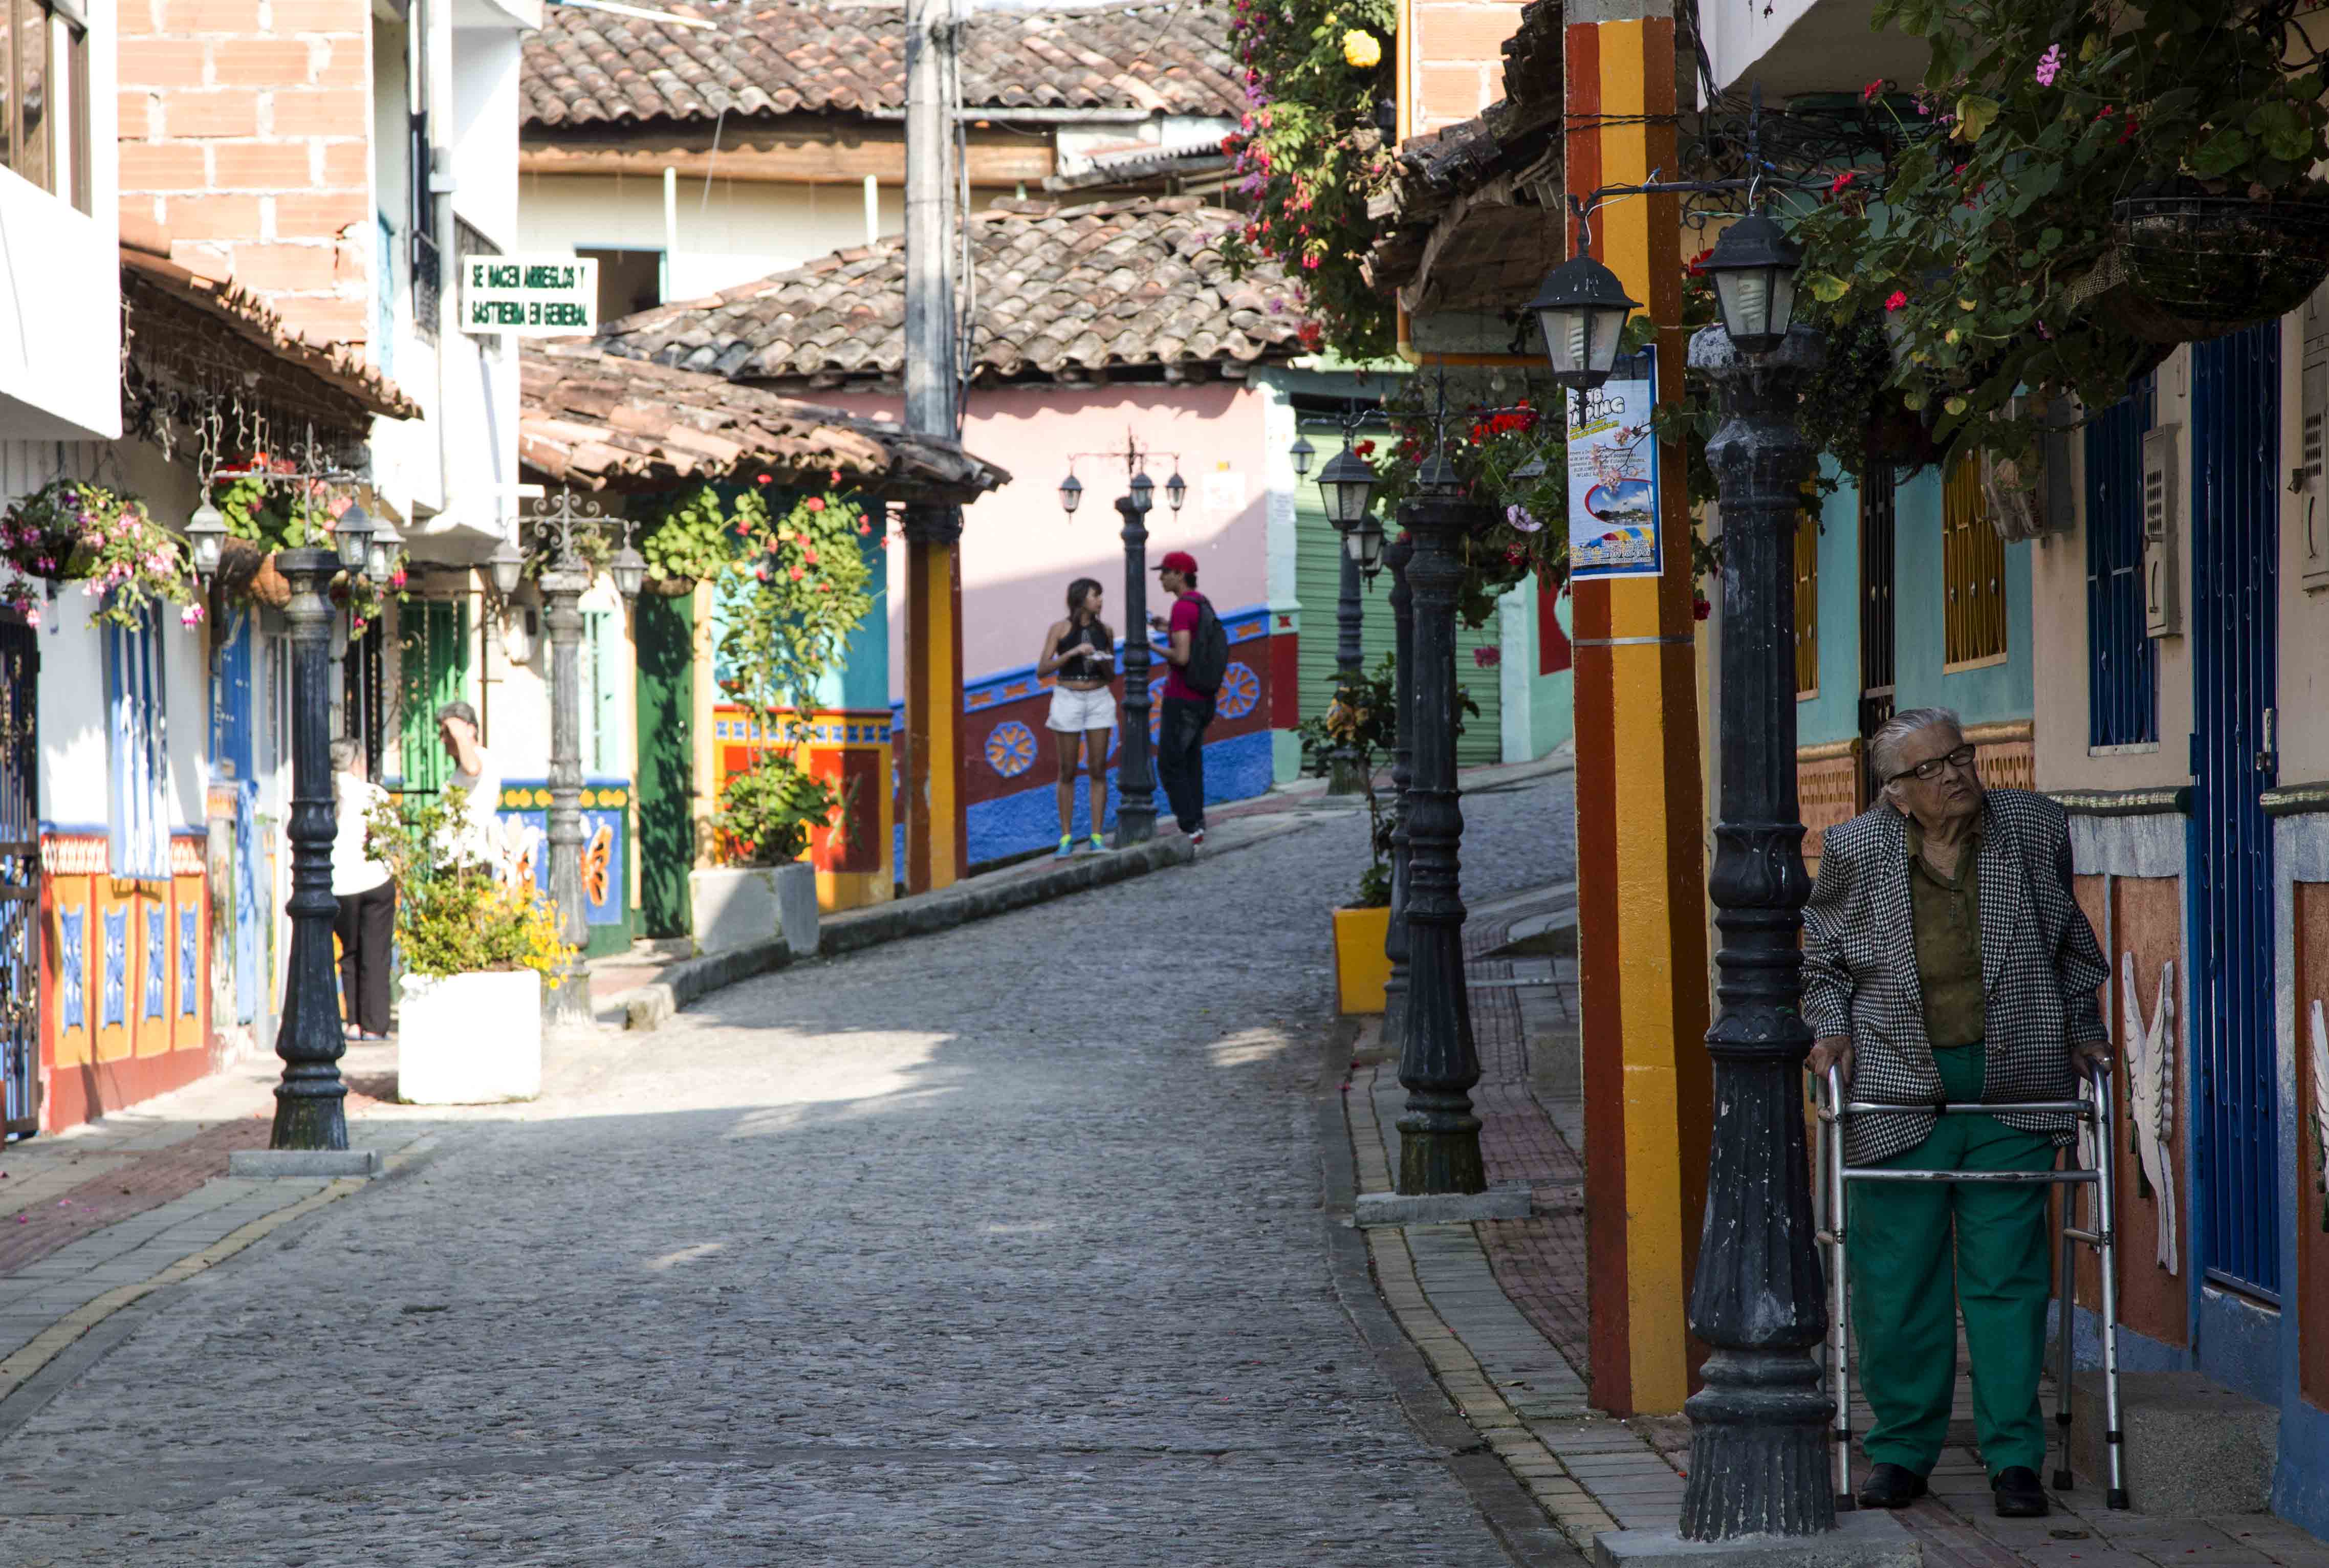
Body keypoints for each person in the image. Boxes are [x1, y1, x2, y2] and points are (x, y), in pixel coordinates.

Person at [1802, 706, 2109, 1521]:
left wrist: (2083, 1033)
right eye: (1930, 769)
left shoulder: (2032, 828)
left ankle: (2015, 1459)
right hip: (1896, 1081)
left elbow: (2072, 950)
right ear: (1894, 793)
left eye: (1959, 758)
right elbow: (1821, 960)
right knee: (1895, 1279)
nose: (1955, 775)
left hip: (2013, 1077)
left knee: (2007, 1278)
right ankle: (1901, 1452)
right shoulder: (1854, 849)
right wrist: (1828, 1027)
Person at [1037, 577, 1116, 857]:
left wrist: (1103, 660)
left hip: (1098, 698)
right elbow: (1043, 669)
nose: (1101, 601)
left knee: (1098, 768)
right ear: (1081, 598)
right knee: (1067, 769)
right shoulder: (1059, 629)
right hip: (1068, 697)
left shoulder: (1105, 631)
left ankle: (1097, 837)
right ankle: (1066, 838)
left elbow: (1112, 673)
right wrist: (1071, 653)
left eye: (1101, 596)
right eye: (1096, 595)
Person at [1147, 550, 1217, 847]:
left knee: (1169, 763)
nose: (1161, 578)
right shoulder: (1201, 604)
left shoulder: (1182, 608)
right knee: (1191, 761)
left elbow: (1182, 655)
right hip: (1203, 697)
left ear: (1179, 574)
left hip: (1182, 698)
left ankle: (1190, 825)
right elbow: (1189, 636)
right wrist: (1164, 628)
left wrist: (1150, 645)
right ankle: (1197, 822)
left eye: (1165, 572)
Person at [329, 737, 395, 1040]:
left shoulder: (325, 796)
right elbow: (390, 837)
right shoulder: (372, 794)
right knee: (376, 954)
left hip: (340, 885)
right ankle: (375, 1025)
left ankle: (353, 1022)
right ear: (356, 762)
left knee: (350, 953)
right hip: (375, 880)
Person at [436, 701, 504, 872]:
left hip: (468, 862)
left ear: (470, 729)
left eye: (448, 732)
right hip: (457, 861)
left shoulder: (479, 758)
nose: (443, 739)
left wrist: (460, 735)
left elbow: (473, 769)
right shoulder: (464, 765)